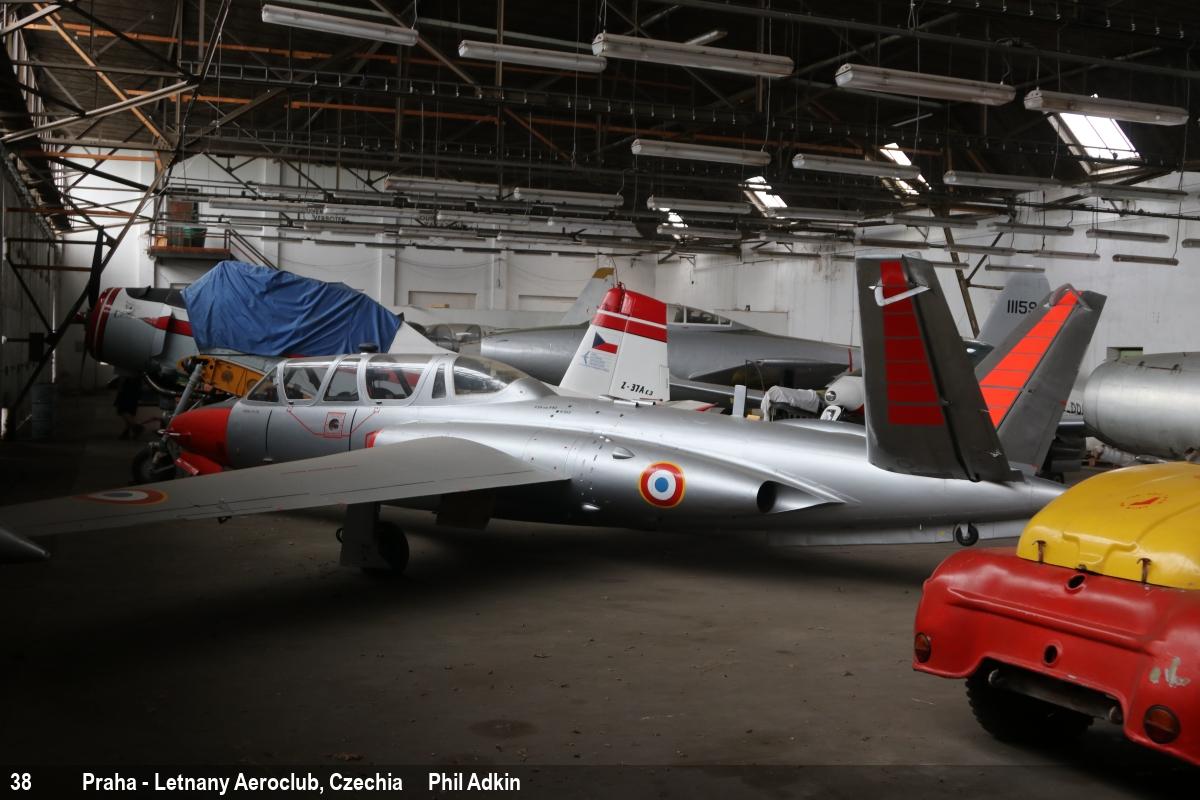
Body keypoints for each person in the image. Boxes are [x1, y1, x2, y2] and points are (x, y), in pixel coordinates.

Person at [114, 375, 145, 440]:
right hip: (136, 386)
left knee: (122, 410)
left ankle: (136, 427)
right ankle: (126, 432)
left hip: (127, 387)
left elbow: (122, 377)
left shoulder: (125, 370)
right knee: (130, 412)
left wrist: (119, 388)